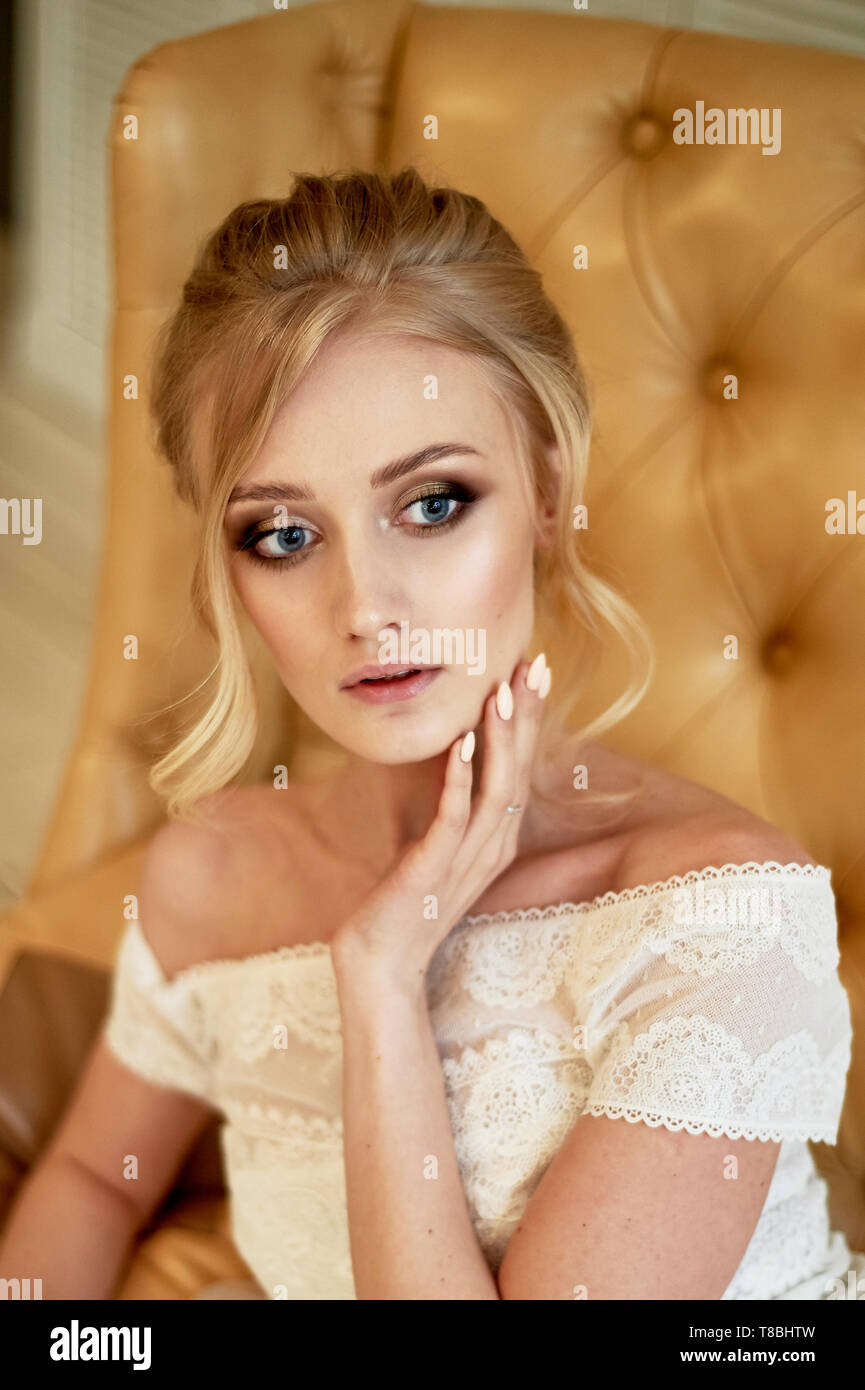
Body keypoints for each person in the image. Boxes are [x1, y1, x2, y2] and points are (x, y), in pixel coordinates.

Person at [1, 167, 862, 1301]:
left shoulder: (719, 913)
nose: (366, 607)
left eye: (433, 502)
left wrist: (380, 975)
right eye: (282, 534)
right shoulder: (211, 876)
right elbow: (89, 1179)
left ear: (546, 488)